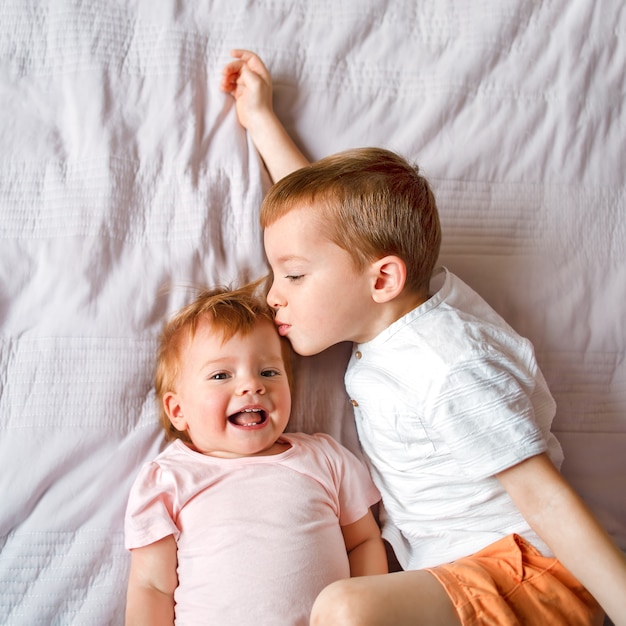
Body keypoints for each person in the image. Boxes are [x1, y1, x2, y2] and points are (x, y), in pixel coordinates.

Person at [221, 50, 626, 626]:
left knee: (343, 608)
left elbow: (547, 498)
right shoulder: (389, 298)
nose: (272, 295)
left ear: (383, 278)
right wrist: (259, 118)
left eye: (292, 276)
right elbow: (325, 230)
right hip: (462, 581)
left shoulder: (448, 363)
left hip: (529, 575)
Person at [124, 281, 387, 625]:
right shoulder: (170, 478)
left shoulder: (323, 458)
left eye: (268, 372)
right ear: (178, 411)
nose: (252, 385)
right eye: (221, 375)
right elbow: (152, 586)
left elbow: (364, 541)